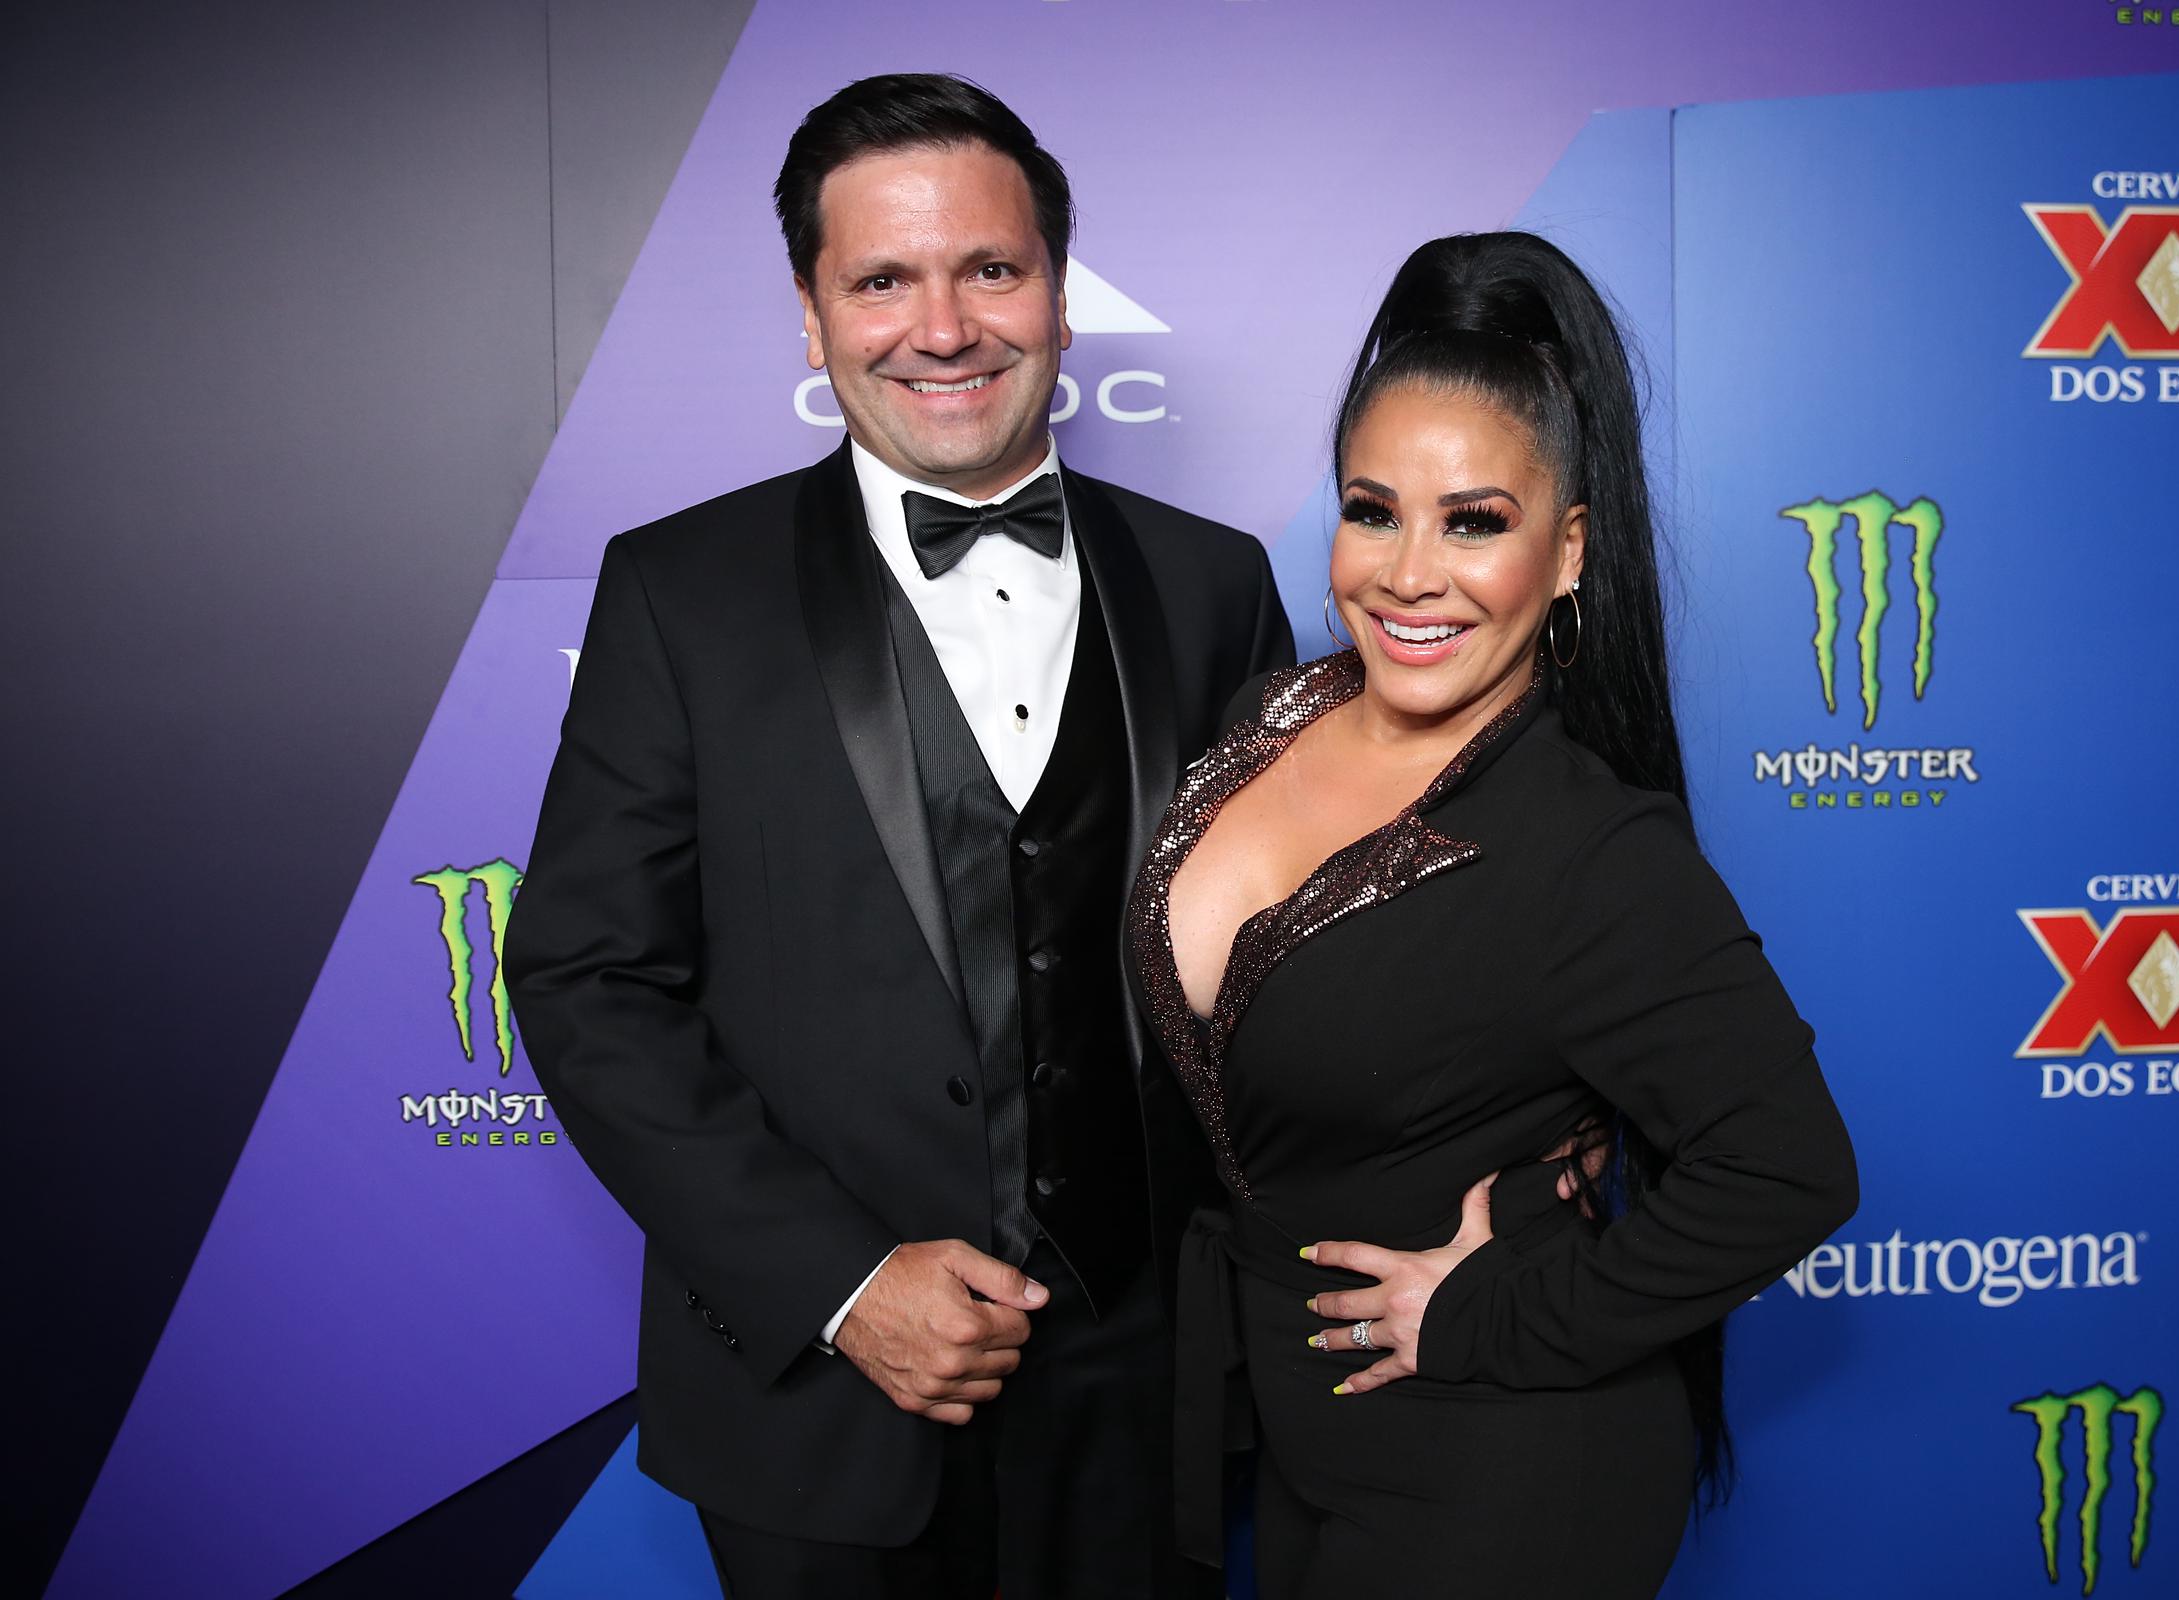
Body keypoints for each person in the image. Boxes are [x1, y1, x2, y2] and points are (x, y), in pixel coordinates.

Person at [505, 73, 1293, 1599]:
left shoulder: (1214, 584)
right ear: (812, 316)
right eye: (883, 279)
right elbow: (588, 980)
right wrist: (846, 1285)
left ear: (1060, 296)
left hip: (1150, 1393)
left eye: (990, 269)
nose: (944, 328)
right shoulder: (682, 593)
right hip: (819, 1403)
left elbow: (1297, 962)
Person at [1128, 231, 1858, 1595]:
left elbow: (1791, 1171)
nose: (1409, 572)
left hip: (1504, 1472)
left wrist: (1500, 1310)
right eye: (1371, 509)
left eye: (1475, 522)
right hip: (1299, 1448)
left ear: (1569, 551)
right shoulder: (1267, 717)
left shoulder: (1592, 849)